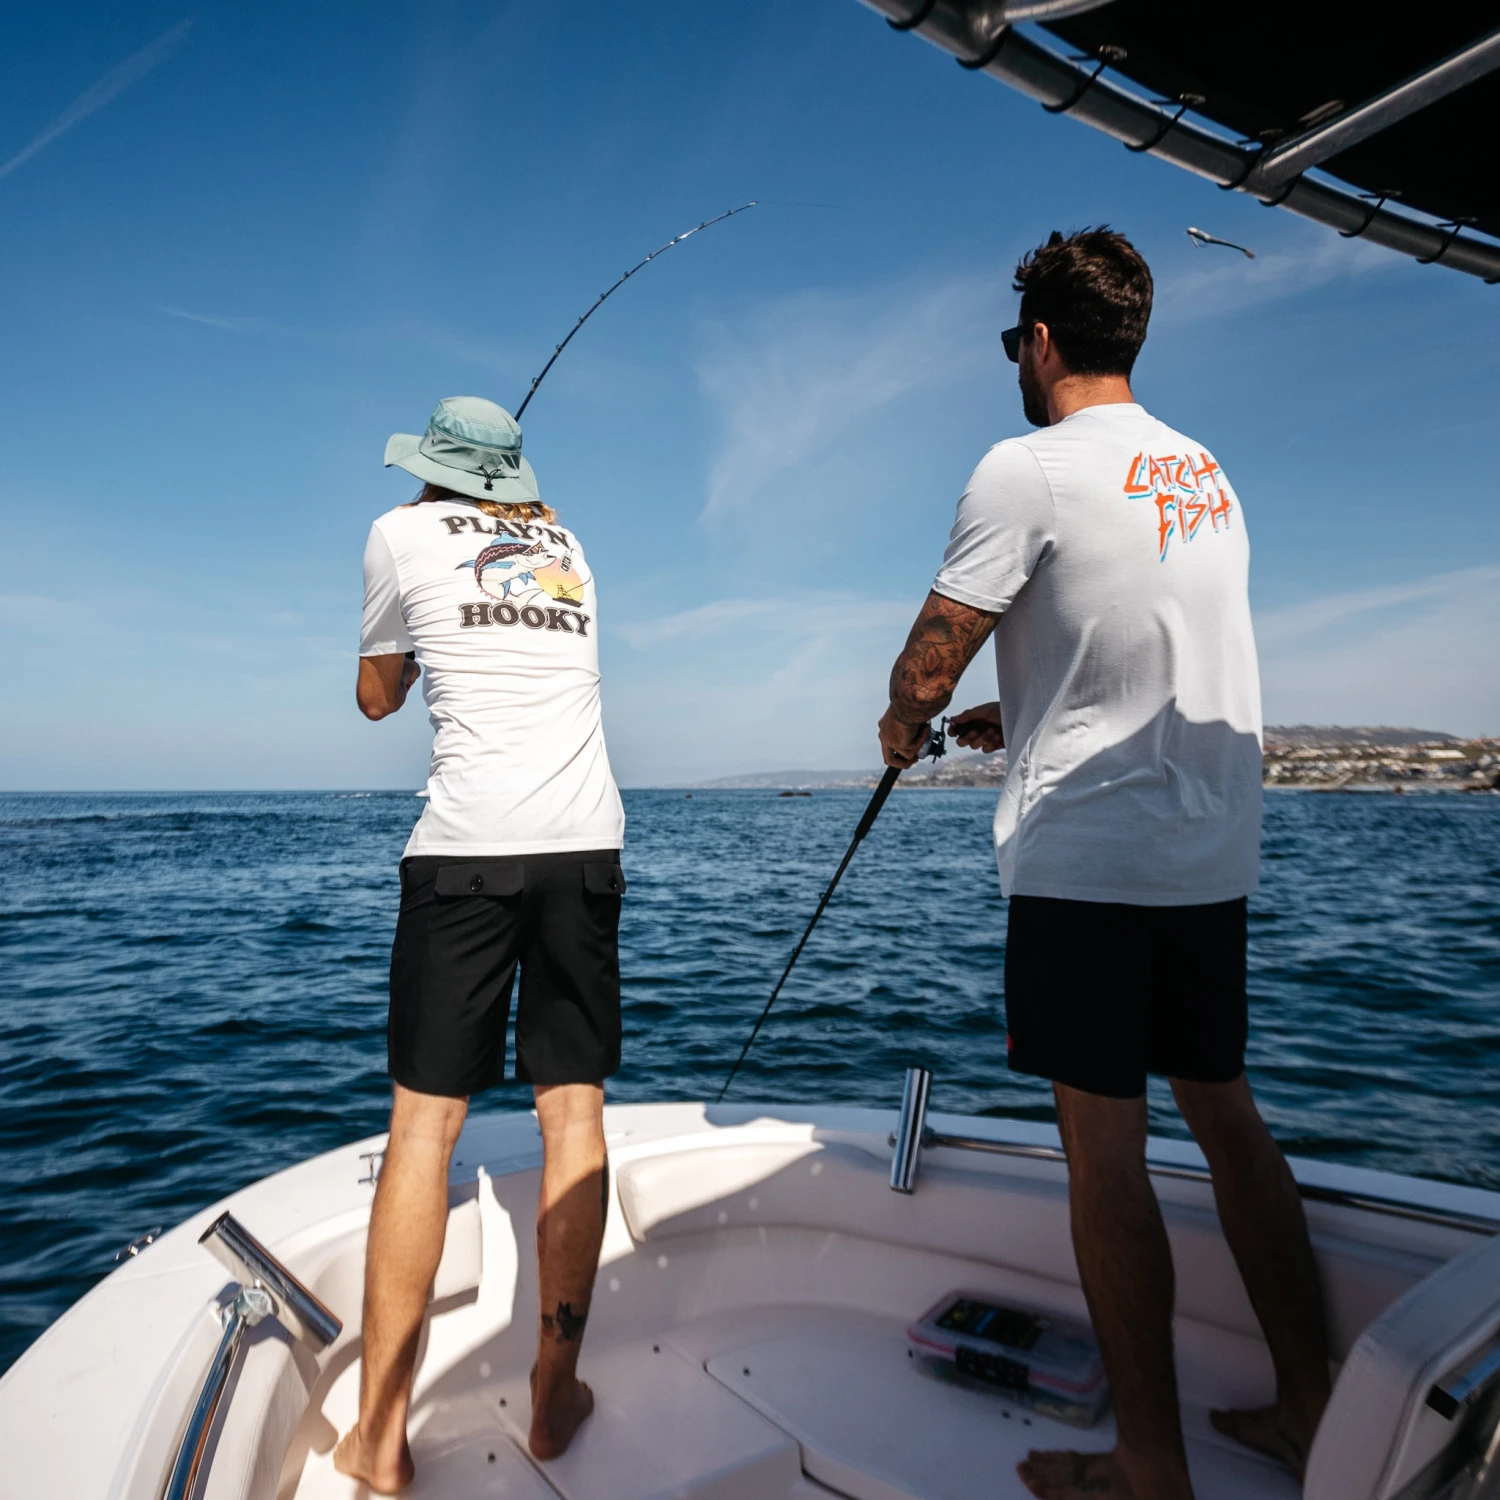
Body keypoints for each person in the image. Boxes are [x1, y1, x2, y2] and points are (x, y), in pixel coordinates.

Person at [877, 231, 1330, 1500]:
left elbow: (926, 664)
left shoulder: (1026, 466)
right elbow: (1134, 641)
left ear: (1040, 341)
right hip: (1206, 853)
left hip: (1088, 865)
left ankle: (1148, 1465)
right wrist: (1020, 711)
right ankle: (1310, 1408)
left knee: (1106, 1160)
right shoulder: (1202, 472)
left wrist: (904, 724)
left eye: (1012, 343)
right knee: (1229, 1122)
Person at [335, 396, 625, 1492]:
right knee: (573, 1113)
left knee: (424, 1129)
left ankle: (380, 1439)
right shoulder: (571, 547)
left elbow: (376, 698)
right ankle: (554, 1398)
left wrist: (412, 651)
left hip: (465, 852)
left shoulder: (397, 532)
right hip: (585, 846)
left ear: (432, 469)